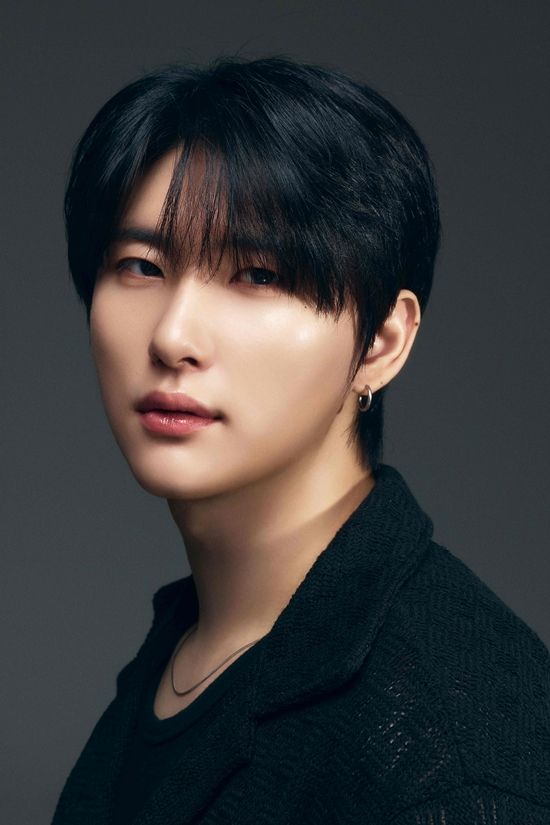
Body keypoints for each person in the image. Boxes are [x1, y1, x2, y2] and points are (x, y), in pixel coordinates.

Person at [51, 55, 550, 824]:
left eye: (257, 274)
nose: (173, 335)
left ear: (382, 341)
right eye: (142, 265)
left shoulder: (452, 755)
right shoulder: (192, 644)